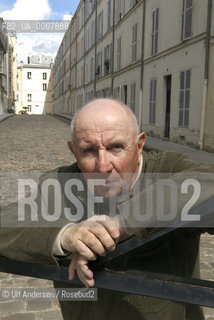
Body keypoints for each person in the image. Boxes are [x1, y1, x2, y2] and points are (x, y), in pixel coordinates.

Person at [0, 98, 214, 320]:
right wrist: (65, 236)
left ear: (139, 145)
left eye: (116, 147)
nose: (103, 166)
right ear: (73, 151)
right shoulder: (59, 183)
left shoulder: (170, 170)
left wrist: (123, 221)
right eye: (89, 150)